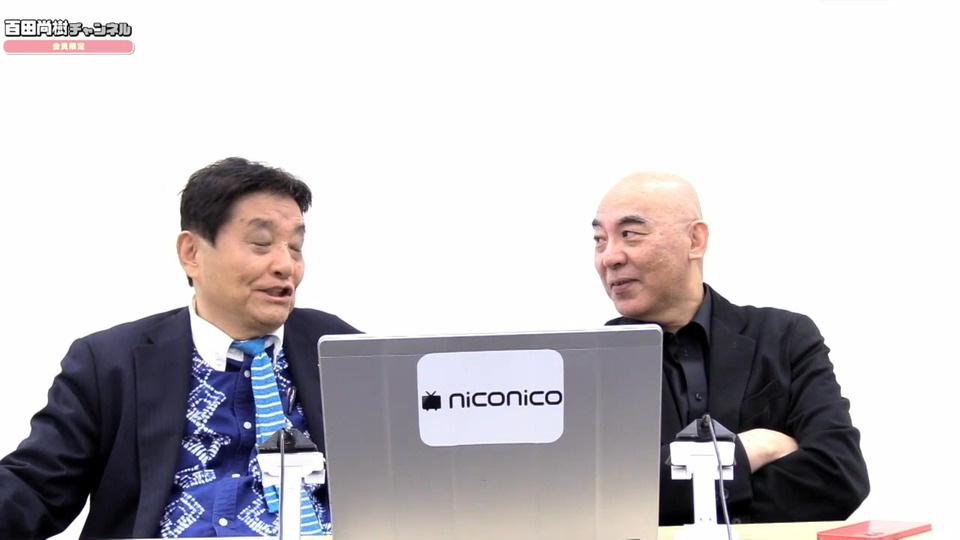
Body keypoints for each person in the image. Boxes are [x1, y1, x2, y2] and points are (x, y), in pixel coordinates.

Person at [0, 157, 361, 539]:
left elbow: (398, 469)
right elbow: (34, 489)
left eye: (296, 248)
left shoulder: (342, 352)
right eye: (261, 244)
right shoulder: (111, 364)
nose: (286, 265)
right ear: (192, 253)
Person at [591, 172, 869, 525]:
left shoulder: (785, 337)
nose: (609, 257)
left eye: (630, 234)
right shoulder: (591, 362)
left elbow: (838, 475)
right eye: (599, 240)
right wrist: (749, 450)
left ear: (695, 240)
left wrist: (683, 502)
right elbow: (595, 496)